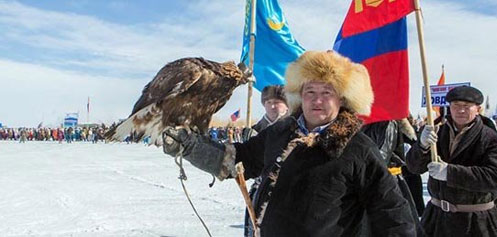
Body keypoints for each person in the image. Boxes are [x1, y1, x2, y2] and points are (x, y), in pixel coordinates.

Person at [163, 50, 415, 236]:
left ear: (342, 98)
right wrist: (191, 147)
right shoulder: (281, 132)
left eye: (327, 93)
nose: (317, 100)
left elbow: (392, 214)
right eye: (310, 92)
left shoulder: (358, 148)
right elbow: (237, 160)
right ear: (299, 95)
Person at [406, 86, 497, 237]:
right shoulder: (437, 133)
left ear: (478, 109)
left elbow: (494, 179)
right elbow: (414, 168)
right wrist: (422, 146)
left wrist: (450, 172)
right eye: (456, 106)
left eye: (466, 106)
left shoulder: (492, 139)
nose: (460, 110)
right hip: (437, 219)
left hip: (475, 223)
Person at [243, 85, 289, 237]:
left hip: (286, 196)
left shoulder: (295, 128)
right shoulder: (256, 129)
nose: (272, 106)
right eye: (268, 102)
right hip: (259, 192)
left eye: (277, 101)